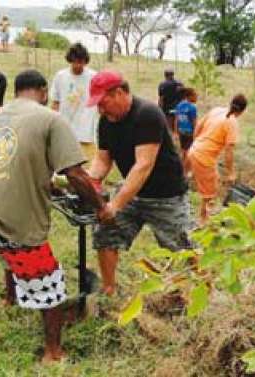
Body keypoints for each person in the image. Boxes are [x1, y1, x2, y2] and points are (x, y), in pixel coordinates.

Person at [0, 69, 109, 362]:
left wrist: (46, 186)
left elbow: (11, 160)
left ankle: (11, 298)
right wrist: (101, 207)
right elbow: (76, 176)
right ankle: (53, 352)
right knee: (51, 284)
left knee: (7, 256)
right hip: (13, 224)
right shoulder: (50, 119)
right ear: (44, 91)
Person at [86, 70, 192, 296]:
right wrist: (88, 182)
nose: (100, 110)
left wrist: (115, 205)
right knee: (105, 233)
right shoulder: (105, 122)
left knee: (183, 250)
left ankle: (191, 296)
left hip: (167, 196)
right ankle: (109, 290)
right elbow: (103, 160)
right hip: (133, 193)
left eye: (103, 103)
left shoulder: (147, 114)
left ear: (120, 93)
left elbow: (143, 165)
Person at [188, 94, 248, 225]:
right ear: (243, 111)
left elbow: (198, 127)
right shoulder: (232, 122)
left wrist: (196, 143)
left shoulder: (217, 110)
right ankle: (203, 221)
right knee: (209, 193)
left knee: (214, 182)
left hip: (195, 149)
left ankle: (206, 215)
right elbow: (229, 151)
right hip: (203, 156)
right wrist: (231, 172)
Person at [50, 43, 99, 162]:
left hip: (86, 129)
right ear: (70, 60)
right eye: (75, 61)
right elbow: (55, 102)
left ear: (85, 61)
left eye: (81, 62)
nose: (78, 65)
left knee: (87, 164)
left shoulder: (93, 77)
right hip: (66, 126)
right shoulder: (60, 76)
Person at [174, 87, 198, 173]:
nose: (196, 97)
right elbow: (194, 122)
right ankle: (188, 170)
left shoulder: (179, 105)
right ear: (189, 96)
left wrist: (176, 132)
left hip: (181, 131)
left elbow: (176, 120)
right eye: (195, 95)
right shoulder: (192, 107)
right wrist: (196, 134)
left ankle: (182, 168)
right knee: (190, 152)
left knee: (183, 150)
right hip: (189, 132)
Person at [158, 68, 183, 134]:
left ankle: (171, 137)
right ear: (173, 75)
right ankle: (177, 137)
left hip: (167, 108)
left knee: (169, 126)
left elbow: (161, 98)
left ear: (165, 75)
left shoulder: (162, 85)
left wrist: (160, 108)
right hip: (178, 108)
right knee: (177, 124)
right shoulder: (180, 84)